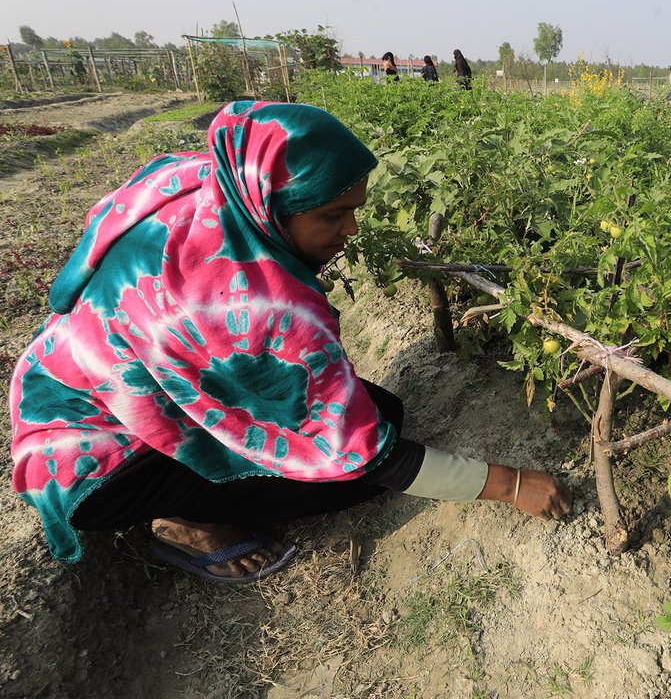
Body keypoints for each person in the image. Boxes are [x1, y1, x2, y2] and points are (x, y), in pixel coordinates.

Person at [8, 101, 571, 583]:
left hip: (66, 390)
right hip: (95, 465)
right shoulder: (248, 309)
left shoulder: (199, 184)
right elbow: (363, 455)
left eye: (354, 210)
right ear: (271, 205)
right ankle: (184, 522)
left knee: (385, 411)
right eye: (333, 215)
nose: (350, 230)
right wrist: (508, 484)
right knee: (347, 476)